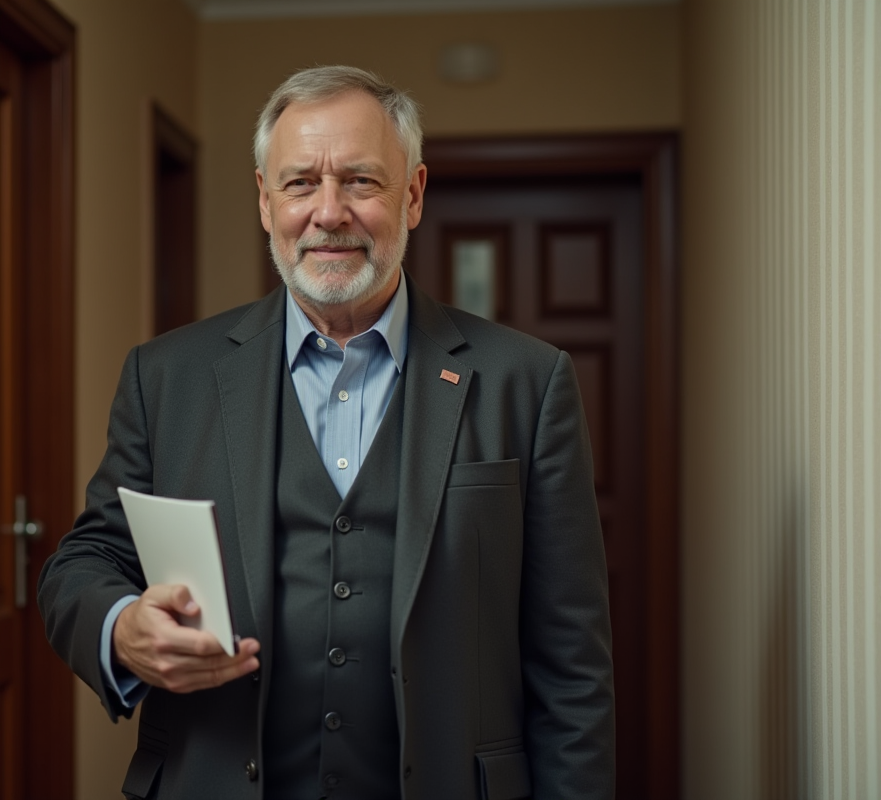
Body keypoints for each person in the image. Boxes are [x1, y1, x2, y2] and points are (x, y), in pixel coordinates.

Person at [38, 65, 614, 800]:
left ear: (412, 195)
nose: (329, 212)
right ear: (263, 200)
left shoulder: (526, 385)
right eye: (301, 183)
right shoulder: (167, 376)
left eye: (362, 182)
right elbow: (84, 561)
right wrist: (120, 628)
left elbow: (572, 666)